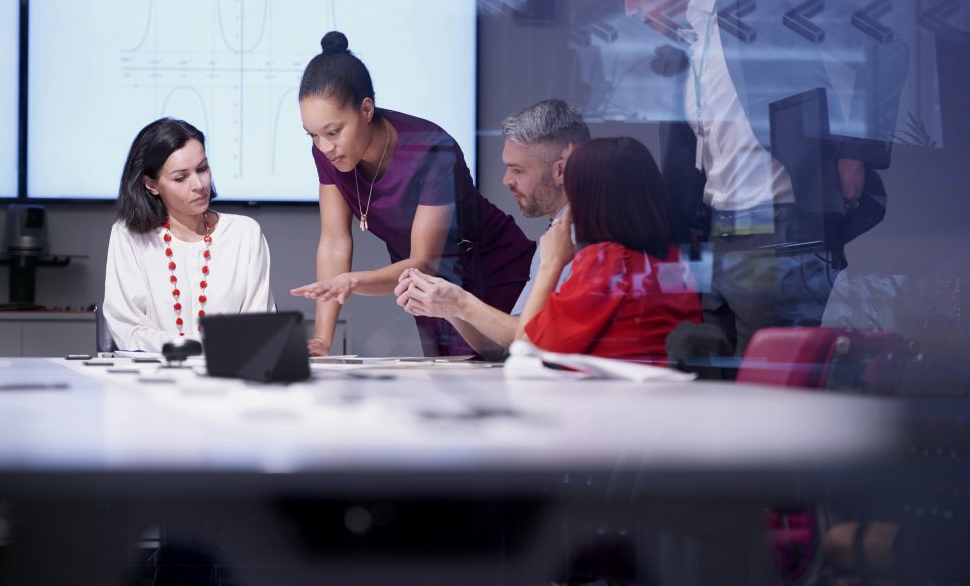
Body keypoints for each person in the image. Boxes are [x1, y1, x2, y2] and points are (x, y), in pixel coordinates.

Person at [592, 0, 906, 355]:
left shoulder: (765, 2)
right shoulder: (685, 45)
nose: (629, 10)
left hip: (779, 238)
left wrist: (854, 152)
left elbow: (883, 46)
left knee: (767, 396)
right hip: (716, 244)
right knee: (717, 397)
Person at [290, 31, 535, 357]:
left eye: (333, 132)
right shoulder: (327, 152)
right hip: (427, 286)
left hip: (491, 269)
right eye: (313, 135)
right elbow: (334, 242)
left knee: (508, 376)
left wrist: (351, 282)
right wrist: (323, 338)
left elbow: (424, 261)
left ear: (366, 109)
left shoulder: (430, 148)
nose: (324, 147)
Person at [394, 98, 590, 360]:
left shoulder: (582, 240)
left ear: (560, 171)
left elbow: (527, 341)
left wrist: (460, 302)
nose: (506, 179)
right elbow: (508, 345)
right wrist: (449, 307)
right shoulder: (554, 239)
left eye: (517, 169)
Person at [514, 137, 701, 362]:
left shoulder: (607, 263)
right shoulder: (673, 261)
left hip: (610, 394)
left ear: (586, 202)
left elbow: (524, 351)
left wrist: (550, 264)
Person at [104, 118, 275, 352]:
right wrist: (189, 347)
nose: (199, 184)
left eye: (202, 169)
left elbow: (260, 327)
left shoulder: (244, 234)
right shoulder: (129, 236)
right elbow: (128, 329)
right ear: (151, 185)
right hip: (153, 381)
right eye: (180, 178)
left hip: (230, 379)